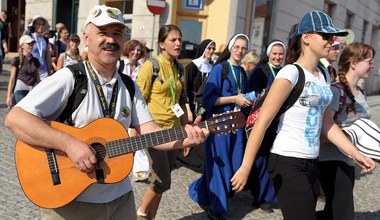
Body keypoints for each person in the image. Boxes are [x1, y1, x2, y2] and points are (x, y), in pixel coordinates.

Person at [4, 5, 208, 220]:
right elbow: (15, 119)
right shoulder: (70, 78)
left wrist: (184, 138)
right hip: (71, 202)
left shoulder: (129, 86)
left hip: (120, 198)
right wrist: (69, 144)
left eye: (117, 34)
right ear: (86, 37)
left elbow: (150, 132)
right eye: (102, 33)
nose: (110, 39)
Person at [230, 11, 376, 220]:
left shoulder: (323, 75)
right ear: (306, 38)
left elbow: (327, 125)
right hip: (287, 161)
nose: (330, 41)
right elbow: (262, 122)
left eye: (332, 37)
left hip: (311, 161)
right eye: (325, 36)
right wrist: (245, 167)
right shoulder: (290, 73)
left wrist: (356, 154)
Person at [188, 33, 251, 219]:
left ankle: (200, 191)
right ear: (231, 47)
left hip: (235, 126)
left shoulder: (241, 72)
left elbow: (243, 96)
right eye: (237, 47)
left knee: (234, 164)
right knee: (219, 167)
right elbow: (209, 100)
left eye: (244, 48)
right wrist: (234, 98)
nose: (240, 51)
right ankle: (218, 210)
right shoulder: (220, 69)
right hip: (219, 125)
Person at [135, 24, 190, 220]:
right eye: (173, 40)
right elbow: (138, 100)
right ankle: (141, 214)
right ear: (161, 44)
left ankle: (151, 218)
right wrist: (134, 132)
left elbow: (181, 101)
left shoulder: (179, 67)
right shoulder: (151, 66)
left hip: (175, 132)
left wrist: (186, 130)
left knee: (160, 184)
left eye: (179, 40)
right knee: (162, 180)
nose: (178, 43)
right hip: (155, 131)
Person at [318, 42, 375, 220]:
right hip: (331, 161)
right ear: (353, 63)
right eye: (369, 61)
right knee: (343, 213)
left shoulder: (360, 92)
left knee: (333, 211)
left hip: (348, 161)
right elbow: (323, 132)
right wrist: (351, 136)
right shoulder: (336, 91)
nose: (372, 65)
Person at [246, 39, 286, 213]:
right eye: (274, 54)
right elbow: (251, 96)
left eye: (280, 54)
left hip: (279, 123)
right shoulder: (260, 71)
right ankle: (260, 196)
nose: (277, 57)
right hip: (262, 121)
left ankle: (267, 194)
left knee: (273, 159)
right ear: (269, 55)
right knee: (261, 159)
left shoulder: (286, 72)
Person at [177, 39, 216, 173]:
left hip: (204, 104)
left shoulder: (213, 67)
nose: (211, 51)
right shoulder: (193, 66)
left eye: (213, 49)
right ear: (203, 49)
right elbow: (186, 88)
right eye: (209, 48)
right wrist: (187, 107)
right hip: (192, 102)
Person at [120, 39, 150, 182]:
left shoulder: (142, 67)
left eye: (139, 50)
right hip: (121, 102)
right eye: (134, 50)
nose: (136, 53)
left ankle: (139, 168)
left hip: (136, 103)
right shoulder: (120, 64)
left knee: (137, 134)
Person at [6, 35, 40, 107]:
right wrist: (8, 95)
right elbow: (12, 78)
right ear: (22, 45)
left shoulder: (35, 61)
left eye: (32, 44)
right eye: (28, 44)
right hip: (20, 91)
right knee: (23, 110)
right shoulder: (17, 60)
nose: (31, 46)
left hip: (32, 91)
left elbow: (38, 79)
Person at [25, 15, 52, 80]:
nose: (41, 26)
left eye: (43, 24)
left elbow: (48, 58)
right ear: (34, 25)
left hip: (43, 72)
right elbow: (25, 54)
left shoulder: (45, 39)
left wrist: (49, 74)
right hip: (31, 71)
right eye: (39, 24)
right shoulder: (29, 37)